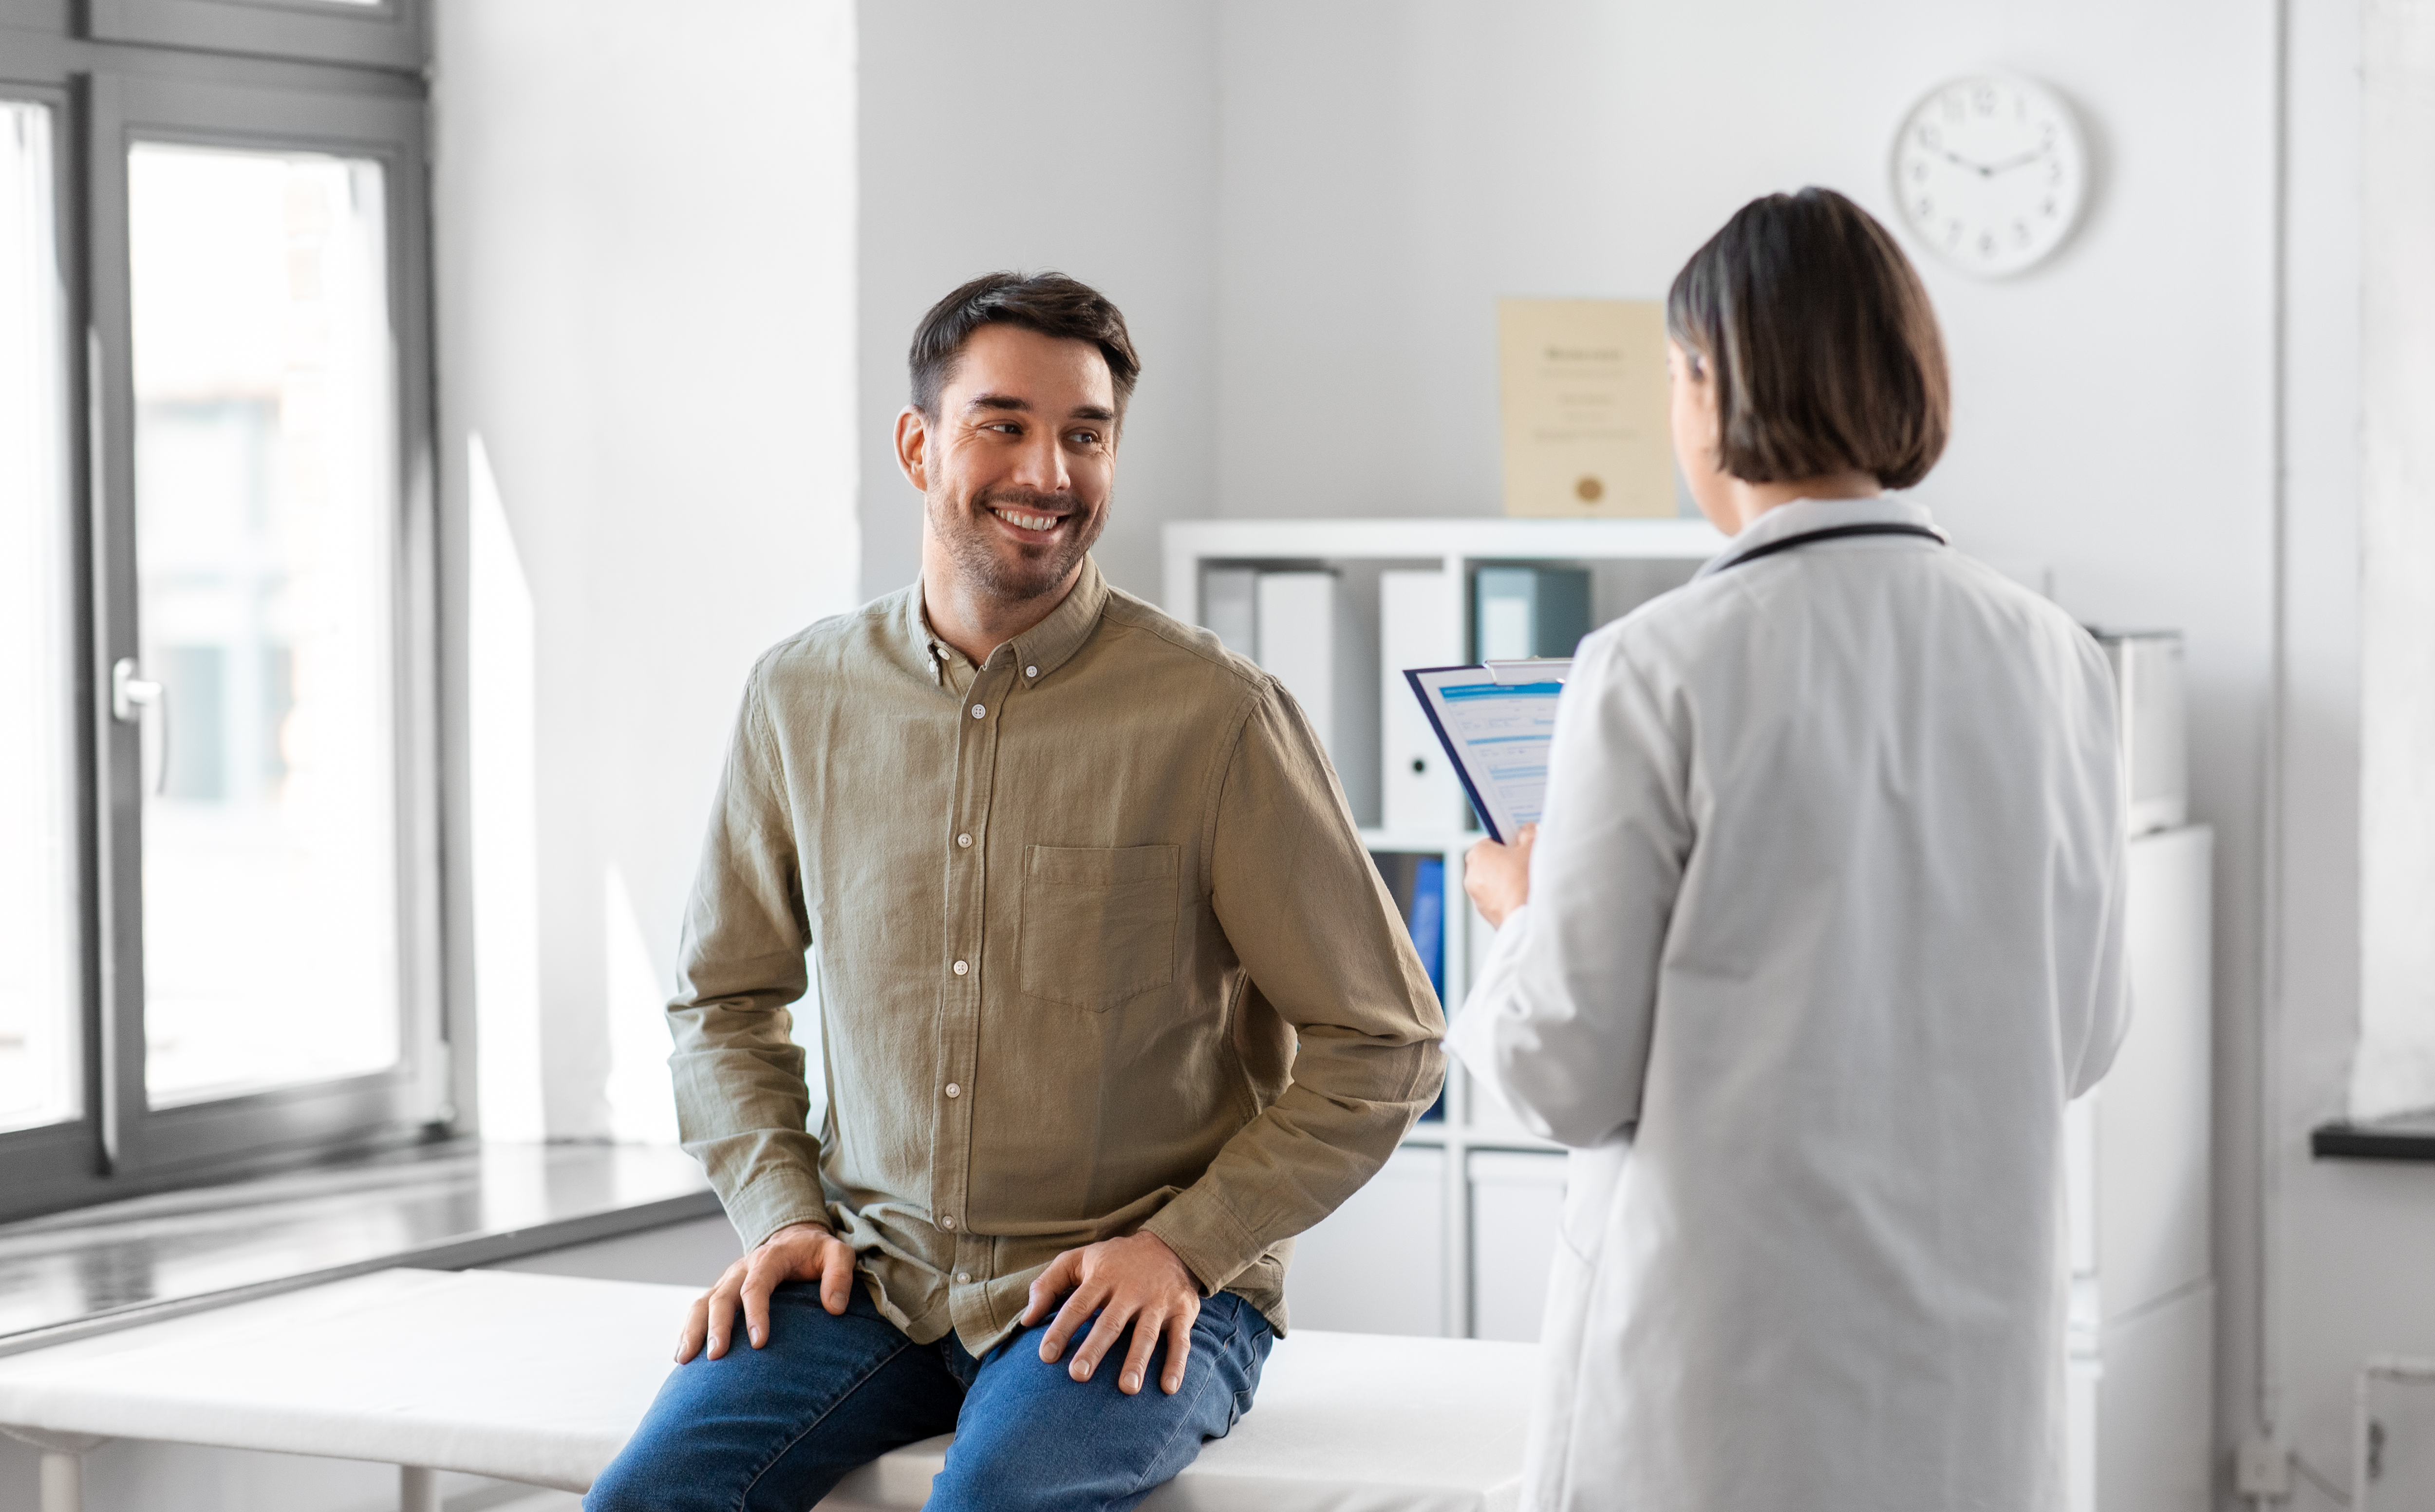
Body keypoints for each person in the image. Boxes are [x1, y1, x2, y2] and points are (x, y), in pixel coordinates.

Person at [586, 271, 1446, 1512]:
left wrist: (1188, 1247)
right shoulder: (799, 697)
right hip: (866, 1277)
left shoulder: (1217, 718)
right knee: (642, 1503)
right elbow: (722, 998)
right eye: (1003, 423)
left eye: (1085, 435)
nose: (1048, 469)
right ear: (918, 443)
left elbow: (1387, 1040)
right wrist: (779, 1210)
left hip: (1133, 1291)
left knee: (996, 1502)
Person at [1454, 188, 2130, 1512]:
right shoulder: (2057, 656)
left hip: (1721, 1392)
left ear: (1710, 386)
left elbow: (1561, 1071)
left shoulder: (1655, 664)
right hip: (1969, 1388)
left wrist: (1520, 910)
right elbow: (2087, 1033)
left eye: (1673, 377)